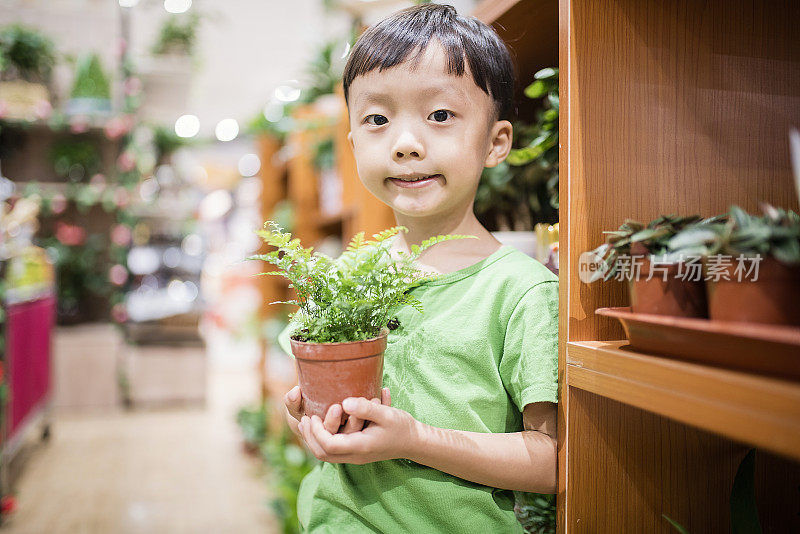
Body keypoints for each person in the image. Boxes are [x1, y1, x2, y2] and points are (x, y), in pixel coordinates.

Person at [279, 4, 559, 532]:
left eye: (440, 115)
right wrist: (306, 424)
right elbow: (303, 400)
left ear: (496, 142)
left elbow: (552, 461)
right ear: (354, 142)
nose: (405, 144)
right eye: (378, 120)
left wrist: (413, 440)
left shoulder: (522, 292)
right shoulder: (345, 277)